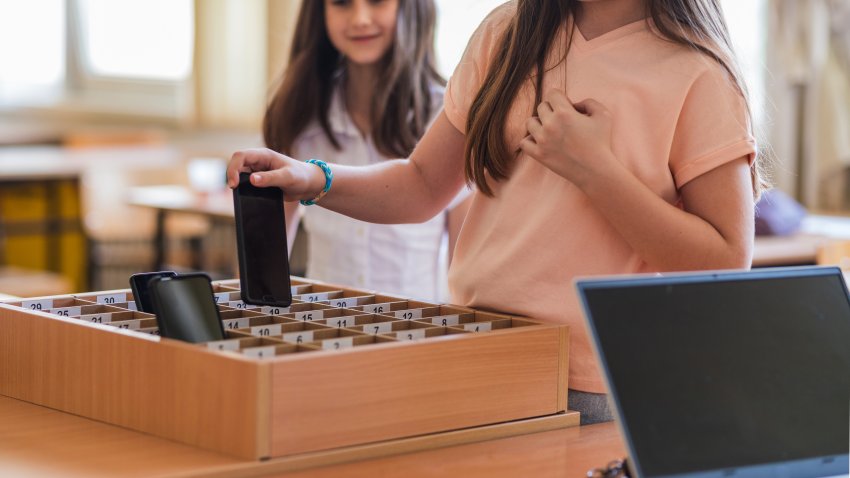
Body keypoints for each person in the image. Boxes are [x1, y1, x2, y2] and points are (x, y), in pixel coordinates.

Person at [229, 0, 764, 424]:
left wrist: (594, 169)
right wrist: (312, 178)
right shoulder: (505, 33)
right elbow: (419, 186)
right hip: (477, 349)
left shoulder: (699, 72)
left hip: (596, 387)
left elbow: (723, 259)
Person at [263, 0, 470, 301]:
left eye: (376, 1)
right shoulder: (297, 114)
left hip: (417, 334)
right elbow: (265, 257)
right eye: (342, 3)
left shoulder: (450, 117)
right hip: (320, 330)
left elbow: (463, 268)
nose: (360, 18)